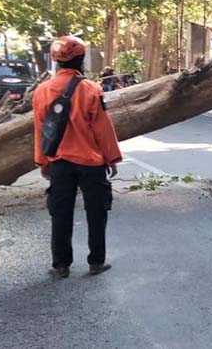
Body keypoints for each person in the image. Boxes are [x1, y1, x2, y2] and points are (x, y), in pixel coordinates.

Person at [33, 35, 122, 278]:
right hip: (91, 163)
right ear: (81, 60)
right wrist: (111, 158)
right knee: (96, 212)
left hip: (60, 163)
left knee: (60, 213)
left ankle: (61, 265)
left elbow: (41, 130)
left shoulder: (42, 91)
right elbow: (102, 127)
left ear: (56, 61)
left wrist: (42, 160)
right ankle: (96, 262)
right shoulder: (91, 89)